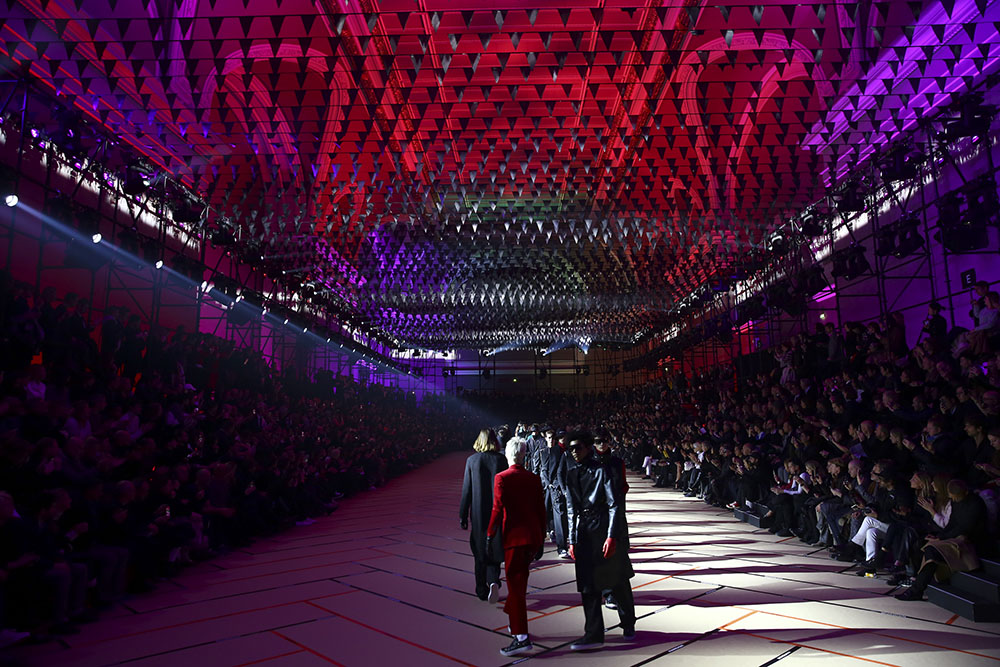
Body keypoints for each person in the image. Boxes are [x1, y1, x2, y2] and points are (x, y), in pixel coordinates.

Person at [564, 431, 636, 650]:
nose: (574, 452)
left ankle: (628, 622)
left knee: (617, 578)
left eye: (578, 447)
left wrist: (612, 535)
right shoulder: (571, 473)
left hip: (604, 526)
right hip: (584, 530)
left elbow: (614, 504)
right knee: (587, 584)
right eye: (571, 448)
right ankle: (593, 633)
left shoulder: (602, 470)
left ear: (588, 448)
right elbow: (571, 509)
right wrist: (571, 539)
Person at [487, 438, 546, 657]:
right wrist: (541, 537)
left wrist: (489, 533)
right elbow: (541, 510)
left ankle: (521, 636)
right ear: (523, 454)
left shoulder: (502, 478)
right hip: (532, 538)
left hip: (514, 539)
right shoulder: (533, 478)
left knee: (516, 588)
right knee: (519, 583)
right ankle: (514, 620)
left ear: (507, 455)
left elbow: (497, 508)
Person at [459, 429, 507, 602]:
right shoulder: (501, 460)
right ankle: (493, 579)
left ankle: (481, 588)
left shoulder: (472, 460)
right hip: (497, 510)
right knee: (495, 545)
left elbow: (467, 490)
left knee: (479, 549)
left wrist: (463, 515)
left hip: (478, 512)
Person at [538, 426, 570, 558]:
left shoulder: (568, 451)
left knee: (565, 516)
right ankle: (560, 546)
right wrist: (550, 484)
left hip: (566, 487)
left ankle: (566, 543)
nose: (562, 439)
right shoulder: (549, 452)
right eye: (560, 437)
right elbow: (545, 469)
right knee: (557, 515)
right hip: (554, 488)